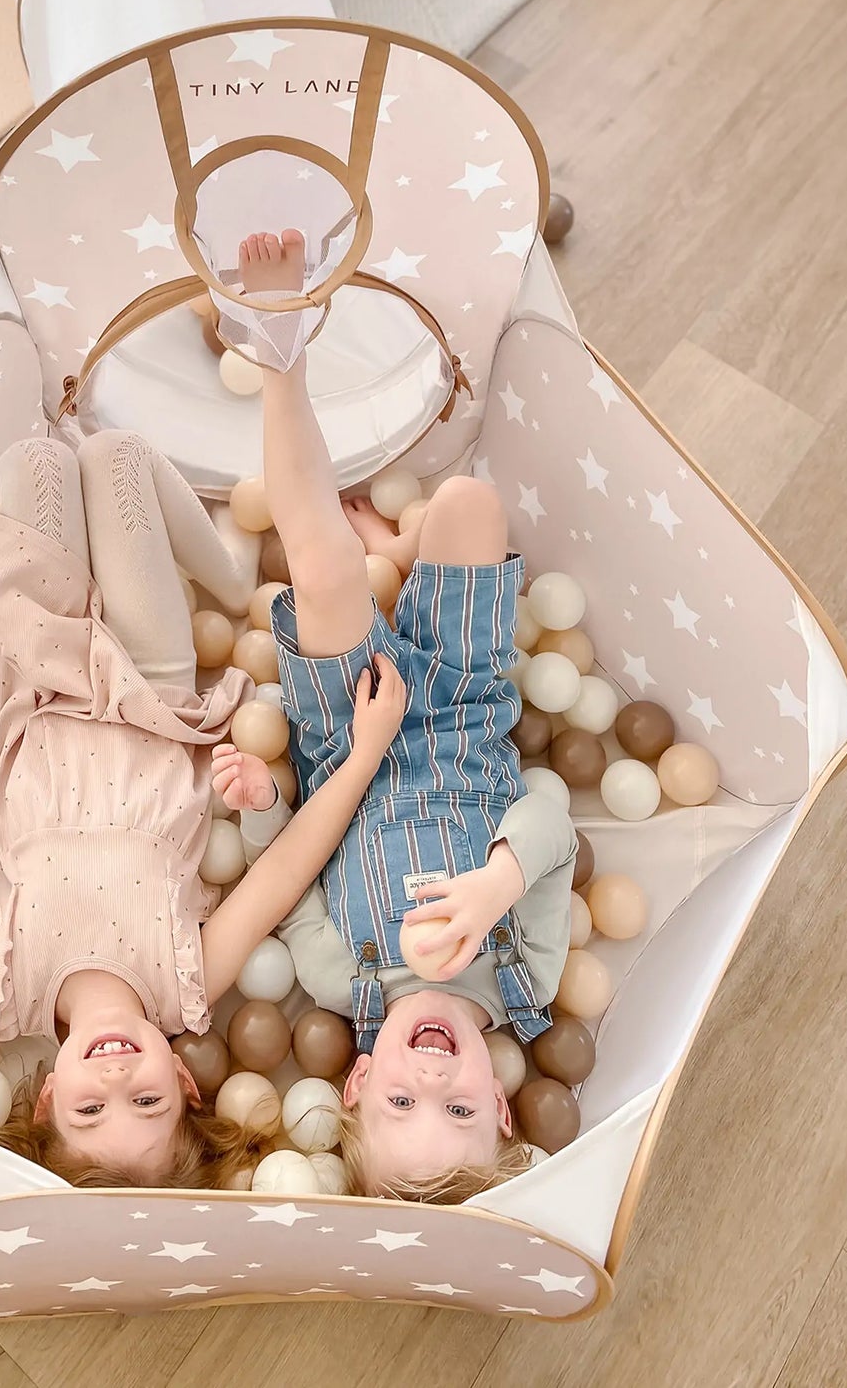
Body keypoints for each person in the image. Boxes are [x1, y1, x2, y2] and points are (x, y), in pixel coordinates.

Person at [0, 429, 405, 1189]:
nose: (114, 1082)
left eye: (88, 1112)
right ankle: (233, 579)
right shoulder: (188, 984)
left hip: (42, 683)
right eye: (145, 1101)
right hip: (153, 686)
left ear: (46, 1098)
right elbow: (284, 868)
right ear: (184, 1078)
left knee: (36, 461)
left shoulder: (12, 986)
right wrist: (364, 755)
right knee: (115, 456)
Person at [234, 229, 576, 1202]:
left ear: (356, 1077)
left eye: (399, 1104)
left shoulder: (344, 984)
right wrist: (492, 888)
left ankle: (276, 347)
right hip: (465, 711)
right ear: (502, 1103)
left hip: (350, 727)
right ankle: (406, 537)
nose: (430, 1080)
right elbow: (548, 819)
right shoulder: (528, 979)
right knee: (469, 500)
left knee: (323, 562)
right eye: (458, 1108)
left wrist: (261, 798)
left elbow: (288, 881)